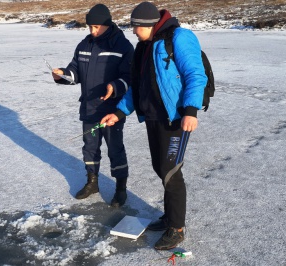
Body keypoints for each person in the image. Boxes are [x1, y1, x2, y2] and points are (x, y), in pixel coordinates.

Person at [100, 2, 207, 249]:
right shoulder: (143, 47)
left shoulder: (179, 37)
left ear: (148, 25)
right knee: (160, 167)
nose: (134, 32)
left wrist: (191, 111)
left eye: (136, 27)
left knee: (170, 170)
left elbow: (195, 74)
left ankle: (177, 228)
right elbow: (137, 88)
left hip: (176, 119)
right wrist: (119, 112)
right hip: (152, 117)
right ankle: (170, 217)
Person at [52, 4, 134, 207]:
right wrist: (62, 75)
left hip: (112, 110)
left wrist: (114, 87)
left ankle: (121, 189)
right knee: (90, 148)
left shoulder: (122, 46)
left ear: (107, 24)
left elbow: (129, 78)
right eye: (90, 27)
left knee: (115, 149)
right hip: (89, 108)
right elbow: (75, 72)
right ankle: (92, 182)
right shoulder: (84, 45)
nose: (93, 31)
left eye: (97, 27)